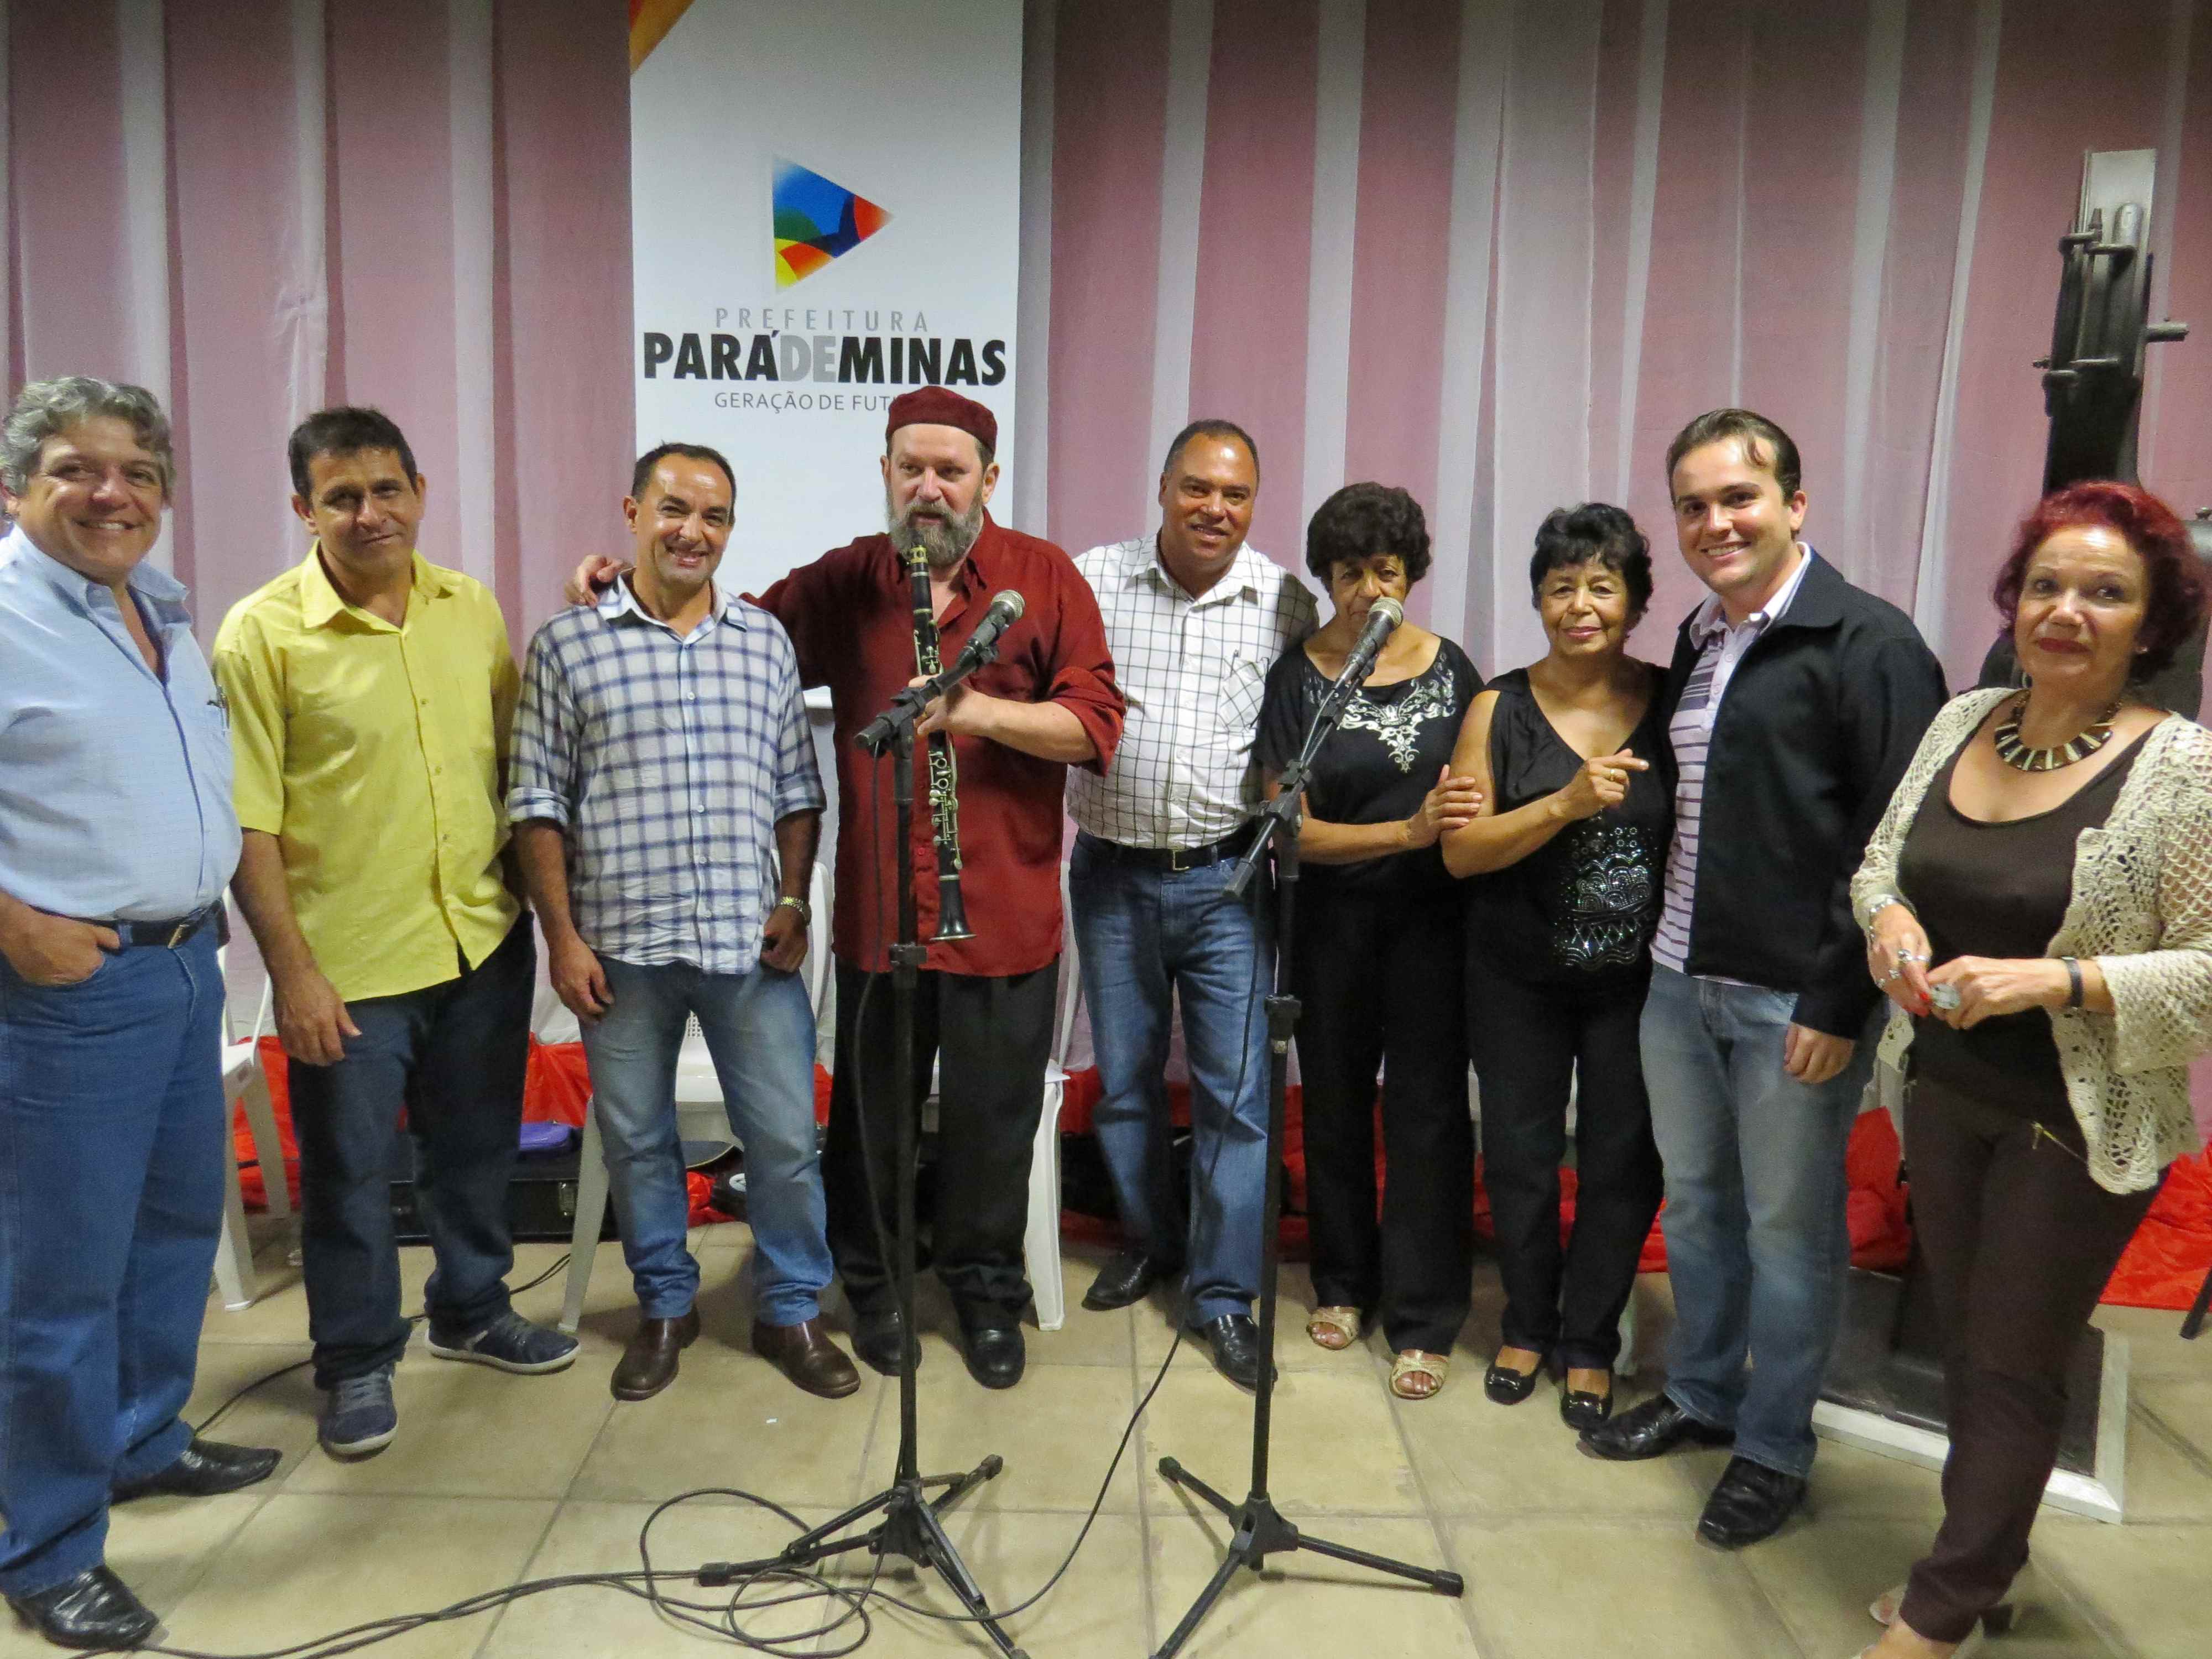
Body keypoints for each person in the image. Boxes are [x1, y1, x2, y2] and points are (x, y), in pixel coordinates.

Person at [569, 387, 1121, 1390]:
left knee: (993, 1127)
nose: (929, 488)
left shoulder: (1043, 578)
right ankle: (875, 1288)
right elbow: (727, 634)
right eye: (911, 468)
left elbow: (1095, 726)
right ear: (886, 473)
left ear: (988, 480)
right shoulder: (849, 579)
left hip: (1003, 918)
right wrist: (628, 586)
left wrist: (979, 713)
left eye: (950, 471)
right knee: (873, 1128)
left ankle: (985, 1294)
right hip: (883, 919)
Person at [1849, 482, 2212, 1659]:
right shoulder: (1965, 720)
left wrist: (2057, 981)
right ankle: (1987, 1567)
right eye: (2046, 585)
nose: (2066, 611)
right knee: (1968, 1346)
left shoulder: (2181, 769)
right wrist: (1888, 922)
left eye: (2105, 592)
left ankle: (1940, 1611)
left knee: (2010, 1363)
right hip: (1944, 1094)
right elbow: (1879, 863)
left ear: (2150, 625)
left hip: (2073, 1121)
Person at [1578, 409, 1948, 1552]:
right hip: (1676, 980)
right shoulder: (1702, 641)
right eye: (1691, 505)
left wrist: (1839, 1000)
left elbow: (1899, 842)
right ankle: (1700, 1394)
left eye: (1737, 497)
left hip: (1794, 999)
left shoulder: (1870, 644)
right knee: (1697, 1206)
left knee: (1789, 1231)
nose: (1715, 523)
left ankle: (1775, 1444)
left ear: (1794, 503)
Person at [216, 408, 577, 1463]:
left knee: (474, 1150)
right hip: (348, 965)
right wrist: (292, 975)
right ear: (304, 509)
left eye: (386, 490)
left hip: (479, 940)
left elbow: (516, 769)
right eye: (342, 497)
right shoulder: (261, 635)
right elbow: (248, 822)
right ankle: (356, 1358)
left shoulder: (470, 609)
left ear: (420, 491)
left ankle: (473, 1308)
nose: (369, 513)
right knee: (349, 1174)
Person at [0, 378, 279, 1652]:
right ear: (20, 485)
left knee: (172, 1234)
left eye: (139, 473)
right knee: (59, 1283)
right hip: (69, 991)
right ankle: (46, 1544)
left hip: (183, 968)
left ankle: (139, 1439)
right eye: (77, 468)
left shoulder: (161, 612)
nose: (112, 493)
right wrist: (13, 924)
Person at [510, 444, 858, 1404]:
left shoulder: (764, 642)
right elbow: (536, 803)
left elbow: (799, 790)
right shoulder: (567, 645)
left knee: (784, 1140)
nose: (692, 532)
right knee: (638, 1143)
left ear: (731, 529)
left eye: (713, 516)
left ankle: (790, 1306)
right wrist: (561, 940)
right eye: (673, 509)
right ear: (632, 513)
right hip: (618, 951)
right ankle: (666, 1304)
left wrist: (795, 899)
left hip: (750, 946)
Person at [1067, 419, 1317, 1389]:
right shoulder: (1093, 579)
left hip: (1229, 883)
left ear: (1254, 503)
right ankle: (1151, 1242)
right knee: (1126, 1083)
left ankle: (1221, 1297)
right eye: (1198, 488)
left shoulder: (1285, 601)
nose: (1216, 508)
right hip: (1113, 876)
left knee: (1238, 1100)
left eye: (1236, 494)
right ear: (1164, 488)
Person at [1442, 503, 1670, 1430]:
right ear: (1538, 600)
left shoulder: (1675, 699)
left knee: (1624, 1163)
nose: (1581, 605)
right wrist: (1564, 805)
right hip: (1516, 976)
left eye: (1602, 587)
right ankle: (1528, 1325)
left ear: (1636, 603)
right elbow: (1461, 853)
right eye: (1561, 587)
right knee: (1521, 1158)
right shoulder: (1497, 707)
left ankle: (1590, 1341)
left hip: (1639, 985)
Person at [1254, 483, 1484, 1401]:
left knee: (1428, 1114)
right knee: (1337, 1107)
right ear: (1325, 579)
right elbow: (1288, 831)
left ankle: (1424, 1315)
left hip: (1434, 928)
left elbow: (1474, 804)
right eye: (1348, 573)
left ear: (1411, 574)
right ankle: (1344, 1281)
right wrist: (1404, 833)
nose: (1368, 592)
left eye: (1385, 571)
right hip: (1329, 926)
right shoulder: (1298, 679)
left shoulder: (1454, 670)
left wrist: (1435, 837)